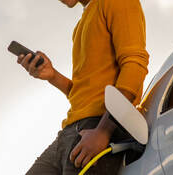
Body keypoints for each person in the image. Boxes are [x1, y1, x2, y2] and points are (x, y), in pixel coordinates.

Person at [16, 0, 149, 174]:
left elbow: (135, 65)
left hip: (100, 125)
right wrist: (52, 75)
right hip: (69, 133)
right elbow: (83, 94)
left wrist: (103, 131)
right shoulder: (82, 23)